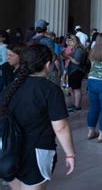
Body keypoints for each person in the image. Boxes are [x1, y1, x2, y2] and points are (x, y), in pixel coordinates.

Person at [1, 44, 76, 188]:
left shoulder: (11, 87)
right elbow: (61, 127)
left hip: (9, 149)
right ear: (48, 64)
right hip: (37, 151)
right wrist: (70, 154)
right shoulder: (50, 90)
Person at [63, 35, 87, 112]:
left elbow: (77, 62)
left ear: (74, 41)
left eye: (69, 41)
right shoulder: (75, 49)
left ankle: (77, 105)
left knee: (76, 89)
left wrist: (68, 57)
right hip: (73, 70)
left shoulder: (79, 50)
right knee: (73, 88)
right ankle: (75, 104)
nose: (68, 43)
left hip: (77, 71)